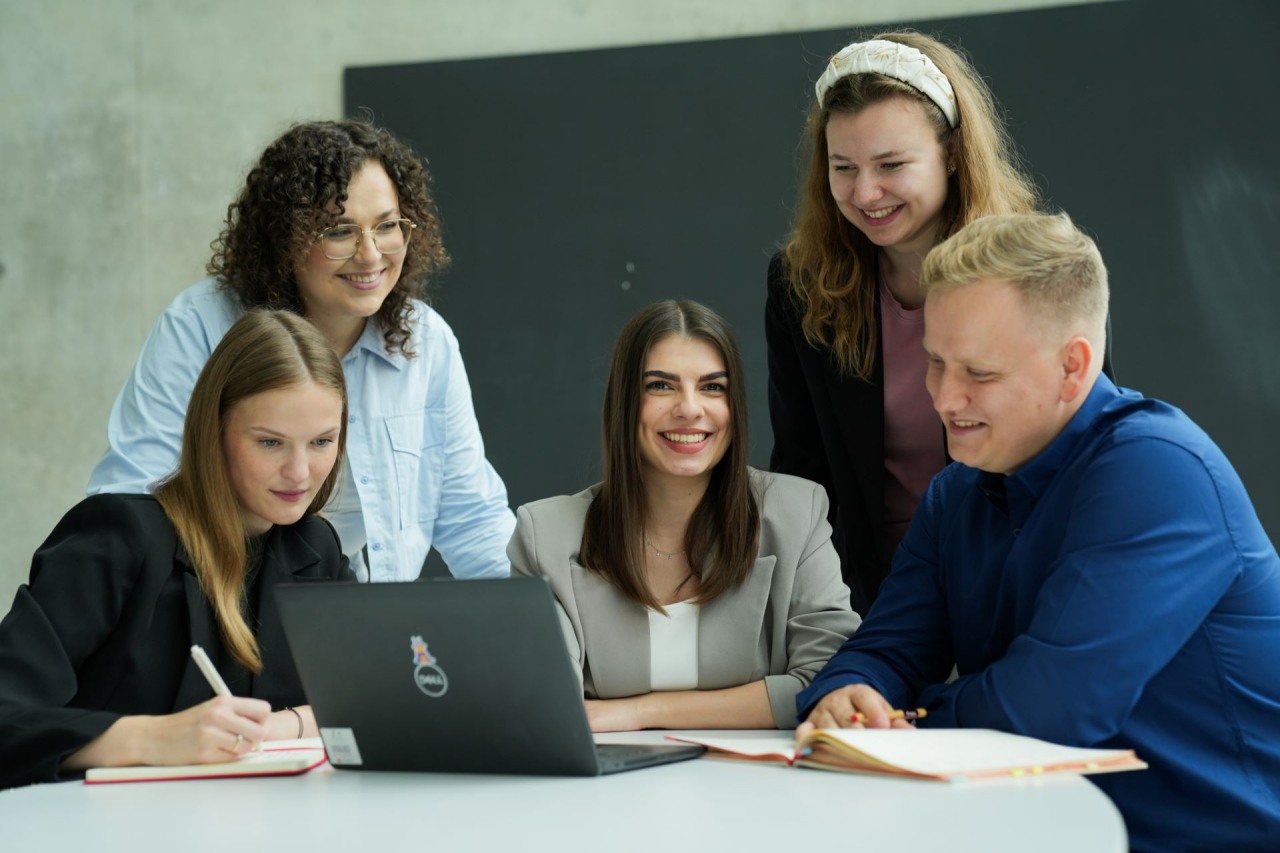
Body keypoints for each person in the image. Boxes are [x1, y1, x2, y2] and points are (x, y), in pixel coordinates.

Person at [796, 213, 1280, 852]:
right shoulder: (956, 493)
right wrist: (845, 696)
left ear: (1074, 368)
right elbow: (884, 651)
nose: (942, 398)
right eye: (935, 362)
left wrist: (898, 722)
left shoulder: (1159, 469)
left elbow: (1049, 713)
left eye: (980, 373)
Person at [88, 119, 513, 583]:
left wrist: (544, 630)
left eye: (387, 226)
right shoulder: (199, 327)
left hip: (373, 627)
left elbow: (473, 519)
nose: (371, 255)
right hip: (230, 619)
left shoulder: (426, 340)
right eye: (339, 231)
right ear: (286, 238)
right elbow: (134, 500)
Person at [0, 311, 357, 789]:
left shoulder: (316, 549)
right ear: (215, 432)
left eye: (321, 442)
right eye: (271, 442)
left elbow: (367, 704)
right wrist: (152, 738)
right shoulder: (117, 537)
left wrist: (281, 725)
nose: (299, 472)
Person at [766, 31, 1042, 614]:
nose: (865, 192)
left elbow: (1085, 452)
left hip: (1019, 582)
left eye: (892, 164)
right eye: (843, 167)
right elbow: (802, 470)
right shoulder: (799, 284)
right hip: (871, 596)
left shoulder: (1037, 271)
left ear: (950, 152)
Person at [510, 300, 861, 731]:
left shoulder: (797, 513)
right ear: (624, 401)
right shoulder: (545, 535)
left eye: (713, 387)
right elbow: (549, 706)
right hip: (605, 791)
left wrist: (642, 712)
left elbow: (829, 685)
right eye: (661, 386)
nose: (690, 408)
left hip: (762, 789)